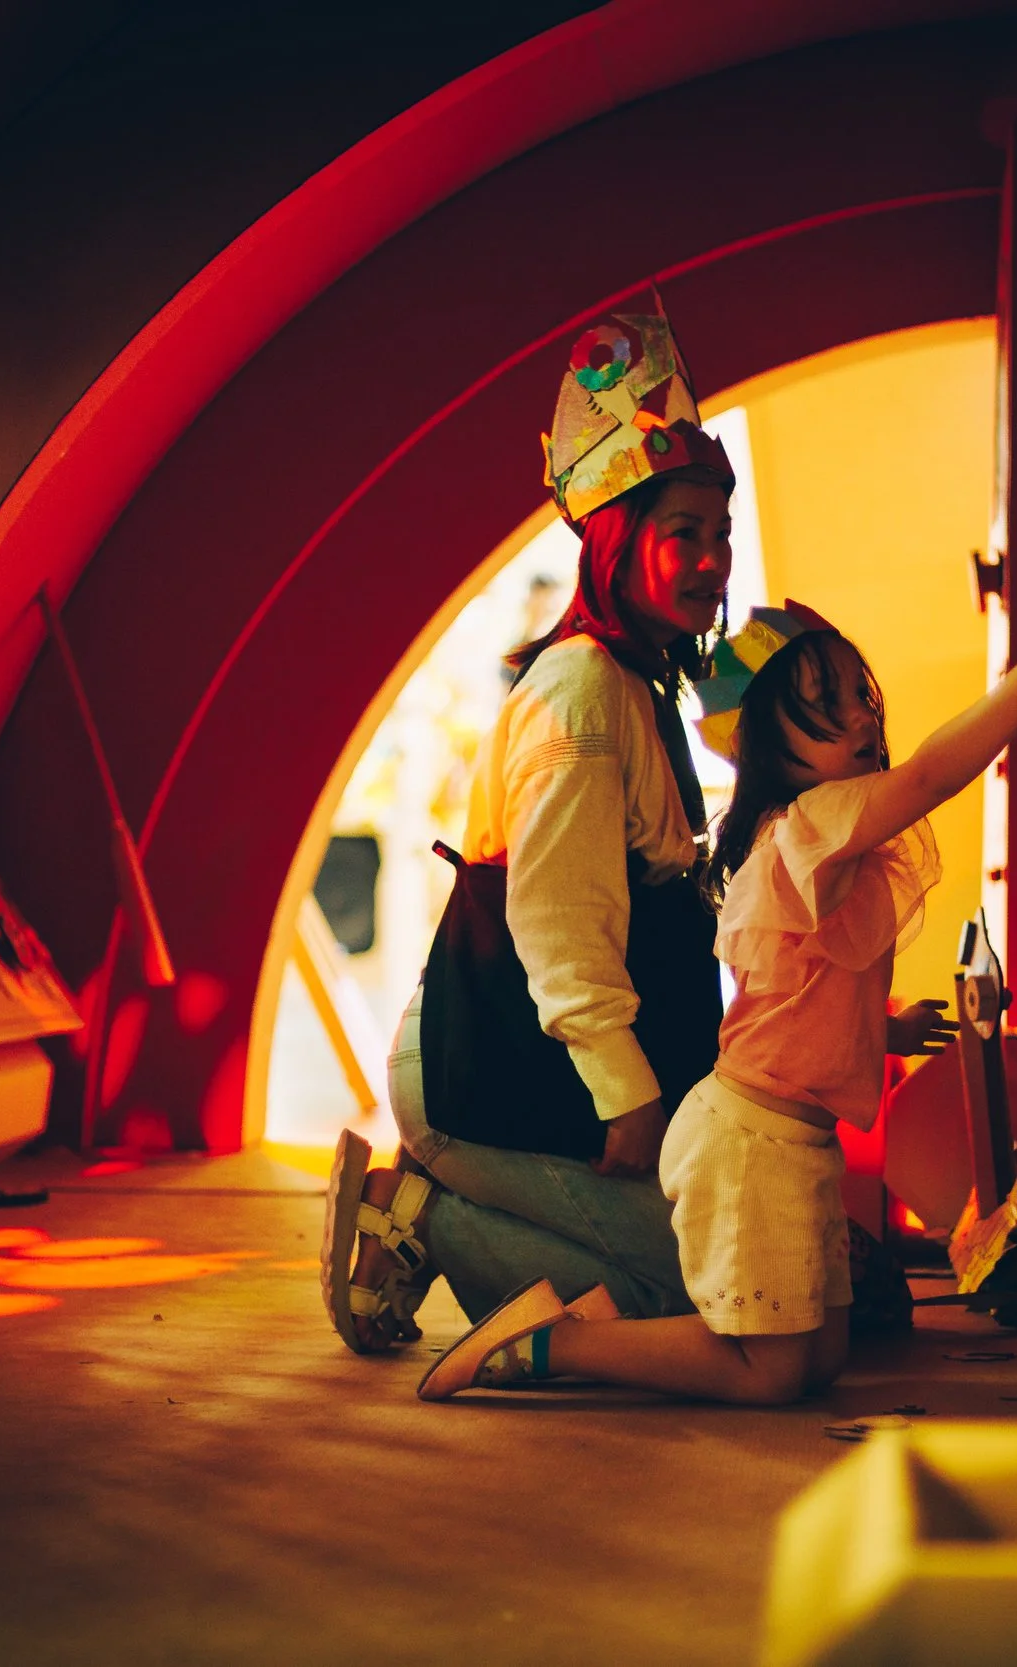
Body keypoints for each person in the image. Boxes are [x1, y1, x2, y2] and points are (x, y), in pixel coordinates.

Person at [415, 590, 1017, 1403]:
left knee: (821, 1359)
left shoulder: (809, 829)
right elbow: (935, 773)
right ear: (769, 740)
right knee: (767, 1374)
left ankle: (571, 1331)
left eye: (858, 693)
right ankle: (557, 1344)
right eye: (824, 705)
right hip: (750, 1140)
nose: (861, 717)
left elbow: (801, 986)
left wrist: (883, 1025)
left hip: (787, 1138)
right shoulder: (816, 819)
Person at [322, 310, 733, 1351]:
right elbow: (555, 923)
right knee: (696, 1303)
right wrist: (627, 1097)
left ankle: (446, 1211)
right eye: (684, 534)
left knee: (752, 1267)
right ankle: (427, 1216)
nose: (712, 562)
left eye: (720, 536)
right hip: (497, 1081)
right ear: (617, 538)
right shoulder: (582, 690)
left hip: (543, 1077)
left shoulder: (637, 682)